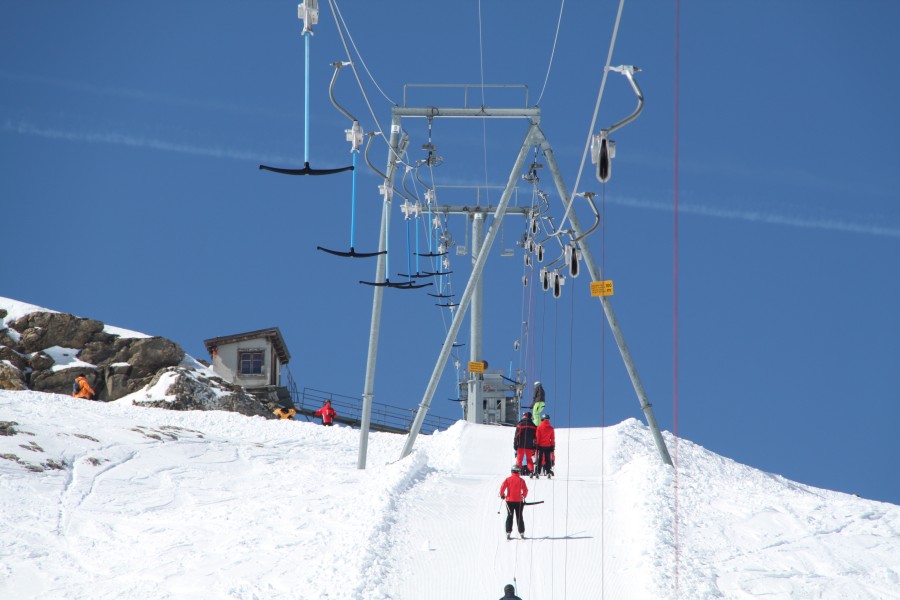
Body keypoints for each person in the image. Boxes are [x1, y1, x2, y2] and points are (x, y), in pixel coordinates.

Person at [499, 465, 529, 540]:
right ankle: (521, 532)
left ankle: (508, 532)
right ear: (519, 471)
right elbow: (525, 490)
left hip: (509, 501)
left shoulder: (508, 479)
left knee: (509, 516)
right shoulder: (521, 480)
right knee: (519, 517)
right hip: (519, 501)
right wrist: (523, 496)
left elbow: (502, 488)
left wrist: (502, 495)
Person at [513, 411, 537, 475]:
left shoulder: (520, 424)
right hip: (529, 446)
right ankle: (531, 470)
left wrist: (515, 444)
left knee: (519, 459)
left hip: (521, 445)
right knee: (529, 459)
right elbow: (535, 437)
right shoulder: (534, 426)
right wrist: (534, 446)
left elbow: (516, 436)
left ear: (525, 416)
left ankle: (518, 471)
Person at [534, 413, 555, 478]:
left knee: (539, 459)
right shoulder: (551, 428)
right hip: (548, 446)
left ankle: (538, 472)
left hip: (540, 446)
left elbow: (538, 437)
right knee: (548, 459)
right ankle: (548, 471)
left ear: (542, 419)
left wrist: (536, 445)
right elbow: (552, 438)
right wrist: (552, 446)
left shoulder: (539, 427)